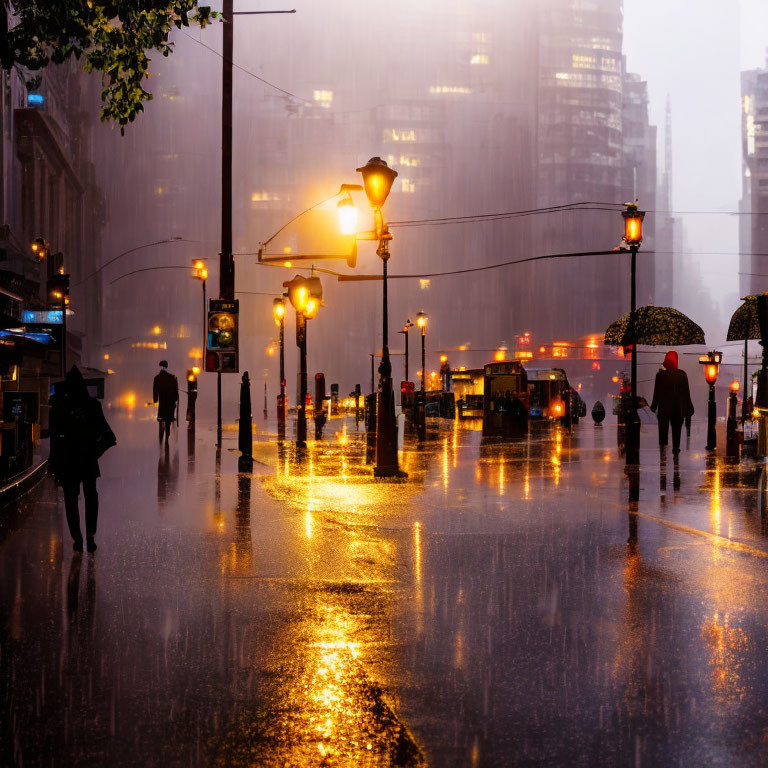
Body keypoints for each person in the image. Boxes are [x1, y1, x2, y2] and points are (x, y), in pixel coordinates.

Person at [49, 366, 116, 552]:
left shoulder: (58, 408)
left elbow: (54, 439)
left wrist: (54, 464)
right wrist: (95, 452)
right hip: (87, 461)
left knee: (71, 500)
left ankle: (77, 539)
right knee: (91, 497)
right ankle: (90, 536)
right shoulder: (93, 405)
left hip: (67, 462)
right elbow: (107, 436)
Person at [650, 350, 694, 454]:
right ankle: (676, 449)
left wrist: (652, 407)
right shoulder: (682, 374)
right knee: (676, 431)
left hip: (664, 410)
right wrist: (689, 407)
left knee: (663, 433)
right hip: (678, 409)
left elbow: (656, 394)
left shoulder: (660, 375)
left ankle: (663, 452)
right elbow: (686, 393)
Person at [153, 360, 178, 445]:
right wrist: (176, 399)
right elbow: (175, 390)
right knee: (168, 421)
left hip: (162, 403)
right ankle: (167, 438)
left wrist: (155, 399)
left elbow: (155, 391)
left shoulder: (157, 378)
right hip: (170, 403)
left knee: (161, 419)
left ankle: (161, 436)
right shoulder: (172, 378)